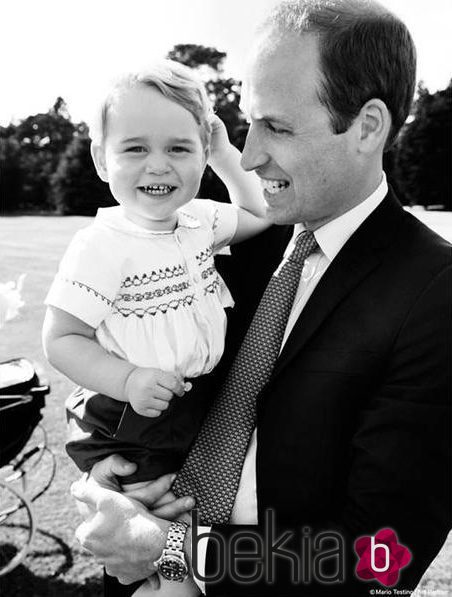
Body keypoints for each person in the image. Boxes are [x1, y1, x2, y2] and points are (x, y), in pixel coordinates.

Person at [71, 1, 452, 595]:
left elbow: (385, 559)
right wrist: (109, 473)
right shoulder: (228, 241)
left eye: (277, 127)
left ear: (367, 126)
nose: (247, 156)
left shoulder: (435, 290)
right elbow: (121, 348)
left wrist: (167, 549)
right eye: (247, 124)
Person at [42, 60, 269, 596]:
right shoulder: (101, 244)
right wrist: (127, 379)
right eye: (136, 148)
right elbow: (62, 338)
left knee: (187, 516)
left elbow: (259, 209)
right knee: (149, 522)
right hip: (131, 416)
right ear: (102, 160)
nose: (158, 166)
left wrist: (223, 152)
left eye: (180, 148)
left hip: (189, 401)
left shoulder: (201, 222)